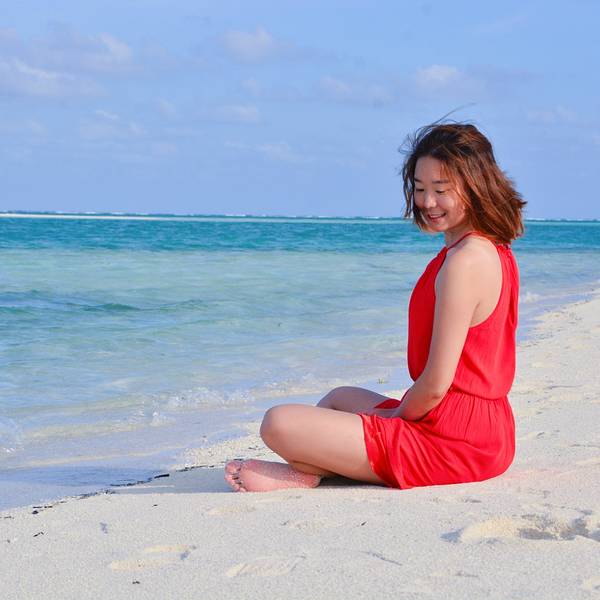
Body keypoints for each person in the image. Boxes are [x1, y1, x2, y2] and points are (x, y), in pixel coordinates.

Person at [225, 121, 527, 492]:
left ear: (475, 186)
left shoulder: (465, 262)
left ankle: (310, 471)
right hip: (482, 428)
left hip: (456, 441)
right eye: (420, 188)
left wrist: (395, 417)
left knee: (278, 423)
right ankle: (318, 467)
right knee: (339, 398)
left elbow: (436, 384)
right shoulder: (487, 248)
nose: (427, 202)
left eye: (441, 190)